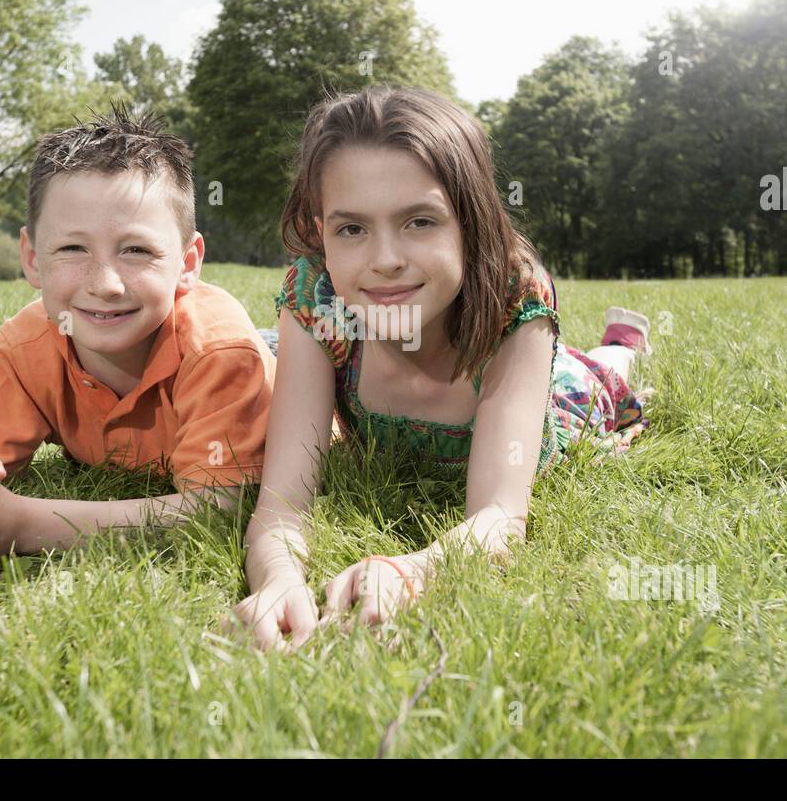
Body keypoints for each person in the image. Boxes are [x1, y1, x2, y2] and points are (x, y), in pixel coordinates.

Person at [231, 86, 650, 650]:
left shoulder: (514, 295)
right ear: (321, 229)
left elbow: (501, 513)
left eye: (420, 222)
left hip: (551, 396)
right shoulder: (317, 297)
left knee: (599, 376)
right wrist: (278, 578)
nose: (385, 260)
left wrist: (419, 567)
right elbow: (283, 503)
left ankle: (621, 342)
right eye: (351, 228)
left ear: (469, 222)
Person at [0, 106, 276, 582]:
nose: (106, 284)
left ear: (188, 261)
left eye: (136, 250)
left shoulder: (219, 352)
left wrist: (22, 525)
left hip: (267, 358)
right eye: (73, 249)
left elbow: (217, 510)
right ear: (32, 258)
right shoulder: (27, 347)